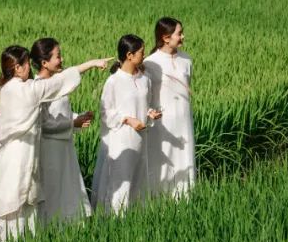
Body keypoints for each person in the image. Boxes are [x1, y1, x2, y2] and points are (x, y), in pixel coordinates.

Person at [0, 46, 110, 242]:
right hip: (19, 160)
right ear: (18, 68)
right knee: (18, 209)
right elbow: (58, 82)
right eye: (26, 63)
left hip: (11, 159)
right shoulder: (25, 90)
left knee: (12, 210)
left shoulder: (6, 90)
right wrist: (89, 64)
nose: (30, 68)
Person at [91, 35, 161, 216]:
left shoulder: (145, 79)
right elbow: (106, 113)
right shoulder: (113, 82)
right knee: (120, 181)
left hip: (141, 138)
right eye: (141, 52)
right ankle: (114, 221)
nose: (144, 55)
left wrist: (151, 114)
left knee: (138, 181)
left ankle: (134, 220)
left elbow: (146, 105)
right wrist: (128, 119)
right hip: (121, 140)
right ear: (129, 55)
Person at [30, 38, 94, 225]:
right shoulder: (39, 89)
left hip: (64, 147)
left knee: (68, 187)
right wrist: (72, 122)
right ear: (44, 62)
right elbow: (44, 124)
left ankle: (70, 227)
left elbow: (61, 114)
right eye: (58, 56)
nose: (62, 59)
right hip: (50, 150)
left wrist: (78, 117)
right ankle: (52, 228)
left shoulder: (57, 83)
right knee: (54, 190)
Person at [143, 17, 196, 197]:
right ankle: (157, 199)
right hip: (161, 123)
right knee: (162, 159)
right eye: (179, 33)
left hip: (183, 118)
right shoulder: (150, 62)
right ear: (166, 38)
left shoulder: (186, 60)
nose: (183, 36)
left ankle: (184, 198)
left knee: (184, 155)